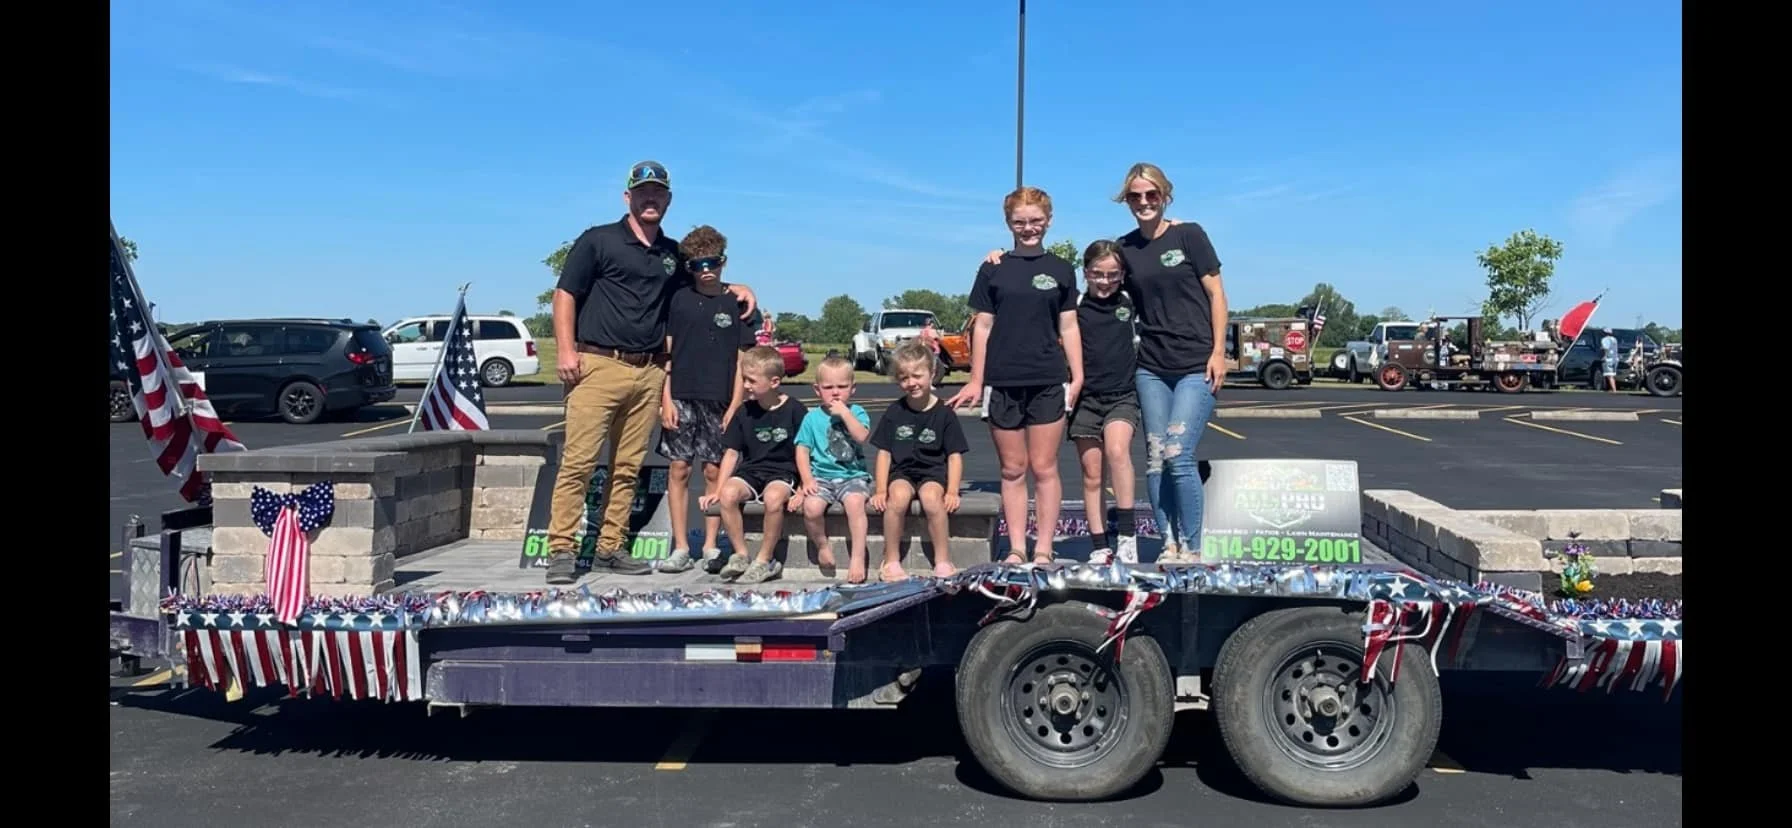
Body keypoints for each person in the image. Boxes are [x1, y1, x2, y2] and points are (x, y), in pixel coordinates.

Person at [546, 160, 758, 585]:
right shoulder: (598, 240)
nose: (650, 199)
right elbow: (565, 293)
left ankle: (610, 547)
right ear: (628, 197)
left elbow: (705, 280)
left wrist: (739, 287)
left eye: (658, 193)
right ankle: (561, 549)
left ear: (668, 200)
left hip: (648, 371)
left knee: (627, 466)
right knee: (580, 463)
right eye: (643, 192)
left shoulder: (672, 255)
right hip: (598, 364)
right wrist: (566, 351)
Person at [946, 186, 1082, 565]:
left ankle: (1043, 547)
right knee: (1012, 468)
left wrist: (1078, 374)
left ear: (1049, 221)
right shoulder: (993, 268)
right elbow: (982, 326)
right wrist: (976, 379)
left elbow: (1068, 326)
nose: (1028, 227)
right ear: (1008, 223)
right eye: (1020, 221)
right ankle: (1018, 546)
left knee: (1044, 467)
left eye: (1035, 220)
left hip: (1047, 378)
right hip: (1002, 380)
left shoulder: (1061, 269)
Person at [1111, 163, 1229, 564]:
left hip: (1196, 363)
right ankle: (1169, 543)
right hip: (1152, 368)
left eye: (1151, 195)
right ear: (1126, 201)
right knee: (1157, 458)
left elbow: (1216, 295)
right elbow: (1100, 281)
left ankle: (1193, 548)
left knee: (1179, 454)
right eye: (1135, 196)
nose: (1144, 202)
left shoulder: (1189, 235)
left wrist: (1218, 352)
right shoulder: (1124, 248)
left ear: (1165, 196)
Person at [655, 225, 756, 575]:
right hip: (681, 394)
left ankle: (711, 544)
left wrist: (734, 406)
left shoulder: (737, 303)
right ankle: (681, 546)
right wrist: (664, 400)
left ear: (723, 262)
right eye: (698, 264)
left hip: (721, 397)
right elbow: (665, 356)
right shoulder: (678, 300)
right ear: (690, 267)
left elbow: (743, 362)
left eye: (712, 262)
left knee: (714, 470)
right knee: (679, 468)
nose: (706, 270)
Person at [701, 345, 808, 585]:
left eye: (751, 380)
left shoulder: (795, 410)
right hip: (751, 470)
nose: (746, 385)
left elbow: (805, 452)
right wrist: (718, 490)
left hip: (783, 472)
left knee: (773, 498)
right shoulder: (744, 411)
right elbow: (731, 453)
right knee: (729, 494)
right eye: (744, 379)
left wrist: (802, 488)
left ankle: (765, 559)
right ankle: (741, 554)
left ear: (774, 382)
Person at [1069, 240, 1142, 565]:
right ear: (1086, 273)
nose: (1105, 281)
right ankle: (1100, 543)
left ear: (1122, 274)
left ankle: (1127, 535)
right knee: (1092, 473)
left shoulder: (1130, 299)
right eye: (1097, 274)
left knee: (1117, 452)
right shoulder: (1075, 304)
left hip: (1122, 395)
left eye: (1113, 274)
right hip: (1086, 399)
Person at [871, 341, 969, 581]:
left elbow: (955, 456)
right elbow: (884, 453)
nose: (911, 383)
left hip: (932, 472)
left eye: (917, 375)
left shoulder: (945, 413)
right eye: (904, 377)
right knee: (898, 498)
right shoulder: (895, 412)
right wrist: (881, 489)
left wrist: (953, 490)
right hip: (901, 472)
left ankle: (943, 560)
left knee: (931, 499)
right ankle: (891, 560)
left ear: (932, 373)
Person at [794, 355, 874, 582]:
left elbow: (862, 436)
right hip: (821, 476)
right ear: (817, 390)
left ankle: (858, 557)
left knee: (855, 503)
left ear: (853, 388)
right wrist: (807, 480)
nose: (835, 393)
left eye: (842, 386)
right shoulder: (811, 418)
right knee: (811, 508)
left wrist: (845, 414)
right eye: (828, 387)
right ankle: (822, 545)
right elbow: (802, 450)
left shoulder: (857, 412)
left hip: (853, 476)